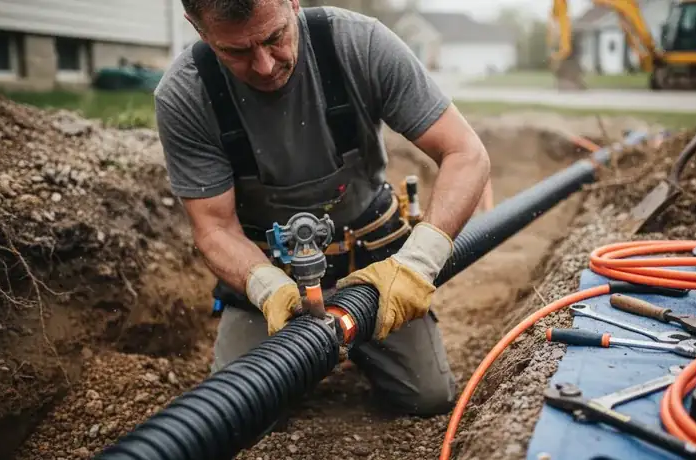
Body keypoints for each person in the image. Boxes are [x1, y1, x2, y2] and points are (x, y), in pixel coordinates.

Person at [154, 0, 491, 417]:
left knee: (428, 396)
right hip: (268, 267)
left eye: (274, 37)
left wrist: (417, 264)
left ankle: (356, 339)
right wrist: (266, 288)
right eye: (236, 52)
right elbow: (214, 227)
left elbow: (466, 152)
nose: (263, 66)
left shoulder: (357, 43)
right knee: (242, 412)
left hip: (372, 259)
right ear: (198, 27)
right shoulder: (186, 93)